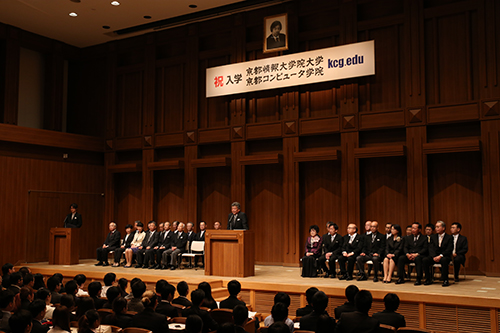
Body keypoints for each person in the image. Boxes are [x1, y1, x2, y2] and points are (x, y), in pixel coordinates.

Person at [423, 220, 453, 287]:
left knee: (444, 260)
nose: (436, 228)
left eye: (438, 227)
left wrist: (440, 256)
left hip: (444, 256)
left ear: (443, 228)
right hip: (434, 256)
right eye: (436, 227)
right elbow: (430, 248)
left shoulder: (449, 237)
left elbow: (449, 249)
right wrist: (434, 256)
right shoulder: (433, 237)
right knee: (425, 260)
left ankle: (445, 279)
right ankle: (428, 278)